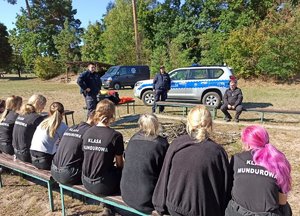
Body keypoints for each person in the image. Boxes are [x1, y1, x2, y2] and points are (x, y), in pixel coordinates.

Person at [152, 105, 231, 216]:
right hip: (204, 210)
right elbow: (225, 189)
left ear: (189, 123)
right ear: (210, 124)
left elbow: (164, 177)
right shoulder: (218, 152)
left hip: (175, 207)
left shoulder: (177, 144)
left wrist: (159, 206)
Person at [225, 125, 292, 216]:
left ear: (247, 144)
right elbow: (282, 201)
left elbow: (230, 188)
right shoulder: (278, 161)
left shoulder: (237, 159)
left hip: (238, 212)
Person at [120, 114, 169, 214]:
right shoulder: (161, 144)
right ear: (156, 125)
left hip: (126, 194)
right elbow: (166, 171)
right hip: (147, 199)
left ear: (140, 125)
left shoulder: (133, 139)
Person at [82, 99, 124, 196]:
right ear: (112, 114)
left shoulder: (87, 132)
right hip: (103, 184)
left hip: (86, 181)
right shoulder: (115, 136)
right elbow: (120, 164)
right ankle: (109, 206)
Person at [51, 111, 95, 185]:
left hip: (53, 169)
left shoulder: (72, 127)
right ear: (95, 120)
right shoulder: (90, 132)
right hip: (68, 174)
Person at [30, 102, 68, 170]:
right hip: (46, 161)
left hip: (33, 157)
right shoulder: (63, 126)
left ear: (49, 112)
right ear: (63, 113)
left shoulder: (43, 123)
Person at [12, 94, 47, 163]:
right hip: (26, 154)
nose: (43, 108)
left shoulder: (21, 114)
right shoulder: (37, 118)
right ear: (37, 103)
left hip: (16, 151)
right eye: (43, 105)